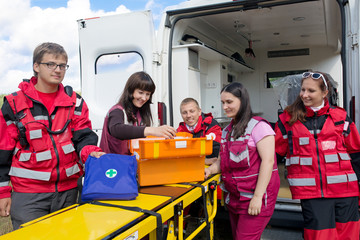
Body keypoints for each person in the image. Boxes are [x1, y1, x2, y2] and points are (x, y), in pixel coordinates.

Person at [0, 42, 104, 230]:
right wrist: (3, 192)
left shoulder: (75, 102)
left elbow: (83, 137)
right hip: (29, 197)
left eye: (62, 65)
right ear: (36, 66)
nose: (58, 70)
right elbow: (3, 151)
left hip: (68, 192)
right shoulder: (14, 104)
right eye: (51, 64)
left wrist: (91, 152)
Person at [274, 71, 360, 239]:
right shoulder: (287, 120)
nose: (304, 95)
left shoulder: (341, 117)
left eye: (311, 91)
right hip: (312, 195)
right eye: (303, 90)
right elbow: (273, 155)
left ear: (325, 93)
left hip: (346, 193)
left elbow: (356, 154)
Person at [205, 82, 280, 240]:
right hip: (235, 199)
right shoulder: (226, 131)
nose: (225, 107)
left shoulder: (259, 127)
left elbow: (268, 162)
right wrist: (210, 170)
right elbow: (221, 161)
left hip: (255, 197)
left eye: (229, 102)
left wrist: (258, 197)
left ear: (243, 101)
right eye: (223, 103)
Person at [100, 71, 176, 154]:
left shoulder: (141, 112)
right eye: (140, 92)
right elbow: (116, 129)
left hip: (133, 162)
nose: (144, 98)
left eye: (147, 94)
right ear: (131, 90)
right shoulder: (117, 110)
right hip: (114, 163)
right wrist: (151, 130)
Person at [177, 98, 221, 162]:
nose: (188, 115)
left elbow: (215, 154)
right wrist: (203, 160)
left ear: (199, 111)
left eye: (192, 111)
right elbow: (178, 155)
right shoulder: (179, 131)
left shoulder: (211, 124)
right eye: (184, 112)